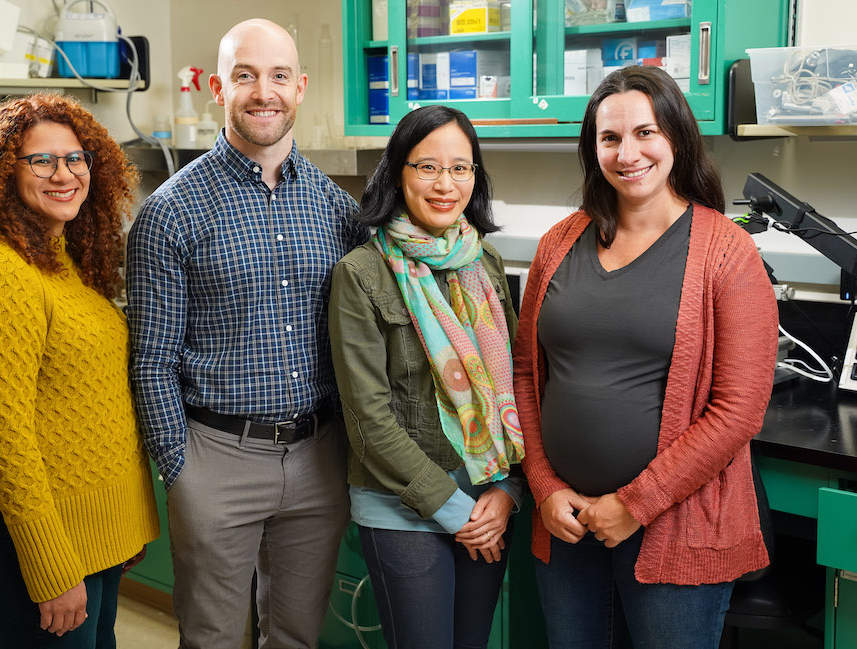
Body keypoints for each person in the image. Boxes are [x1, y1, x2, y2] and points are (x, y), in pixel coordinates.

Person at [512, 65, 779, 648]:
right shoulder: (559, 243)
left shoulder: (727, 253)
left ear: (677, 138)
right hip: (566, 525)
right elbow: (529, 374)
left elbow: (738, 410)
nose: (627, 152)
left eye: (645, 133)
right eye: (610, 138)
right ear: (593, 149)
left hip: (673, 525)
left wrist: (635, 505)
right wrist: (542, 483)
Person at [125, 18, 367, 649]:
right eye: (245, 75)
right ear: (217, 87)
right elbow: (151, 360)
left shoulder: (338, 207)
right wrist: (180, 468)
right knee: (211, 638)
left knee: (296, 636)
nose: (265, 91)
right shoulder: (170, 211)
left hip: (320, 456)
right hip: (215, 458)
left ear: (301, 86)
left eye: (279, 75)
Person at [0, 93, 160, 649]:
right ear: (2, 173)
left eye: (76, 158)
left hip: (89, 535)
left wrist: (120, 525)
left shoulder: (63, 261)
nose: (63, 174)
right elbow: (4, 445)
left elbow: (91, 402)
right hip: (30, 547)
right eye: (42, 160)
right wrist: (50, 567)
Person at [328, 105, 526, 649]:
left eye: (461, 168)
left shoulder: (484, 261)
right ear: (399, 173)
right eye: (427, 167)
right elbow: (369, 422)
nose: (446, 184)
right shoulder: (360, 275)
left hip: (489, 499)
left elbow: (516, 381)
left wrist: (507, 491)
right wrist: (458, 511)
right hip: (404, 507)